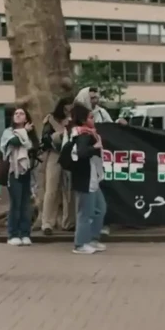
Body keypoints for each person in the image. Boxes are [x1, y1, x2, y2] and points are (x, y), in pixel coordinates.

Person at [73, 86, 125, 235]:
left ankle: (94, 232)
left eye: (96, 97)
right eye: (91, 97)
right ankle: (82, 237)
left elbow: (111, 128)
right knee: (85, 205)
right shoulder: (79, 124)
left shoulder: (102, 112)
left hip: (98, 163)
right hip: (85, 167)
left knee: (98, 203)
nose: (95, 100)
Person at [67, 102, 108, 255]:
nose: (93, 120)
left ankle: (92, 239)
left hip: (93, 178)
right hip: (85, 179)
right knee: (85, 212)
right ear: (83, 119)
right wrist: (95, 148)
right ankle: (80, 244)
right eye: (90, 117)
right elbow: (82, 153)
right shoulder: (82, 134)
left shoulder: (89, 133)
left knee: (100, 208)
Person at [0, 108, 38, 246]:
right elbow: (14, 142)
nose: (18, 115)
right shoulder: (8, 132)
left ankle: (25, 233)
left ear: (26, 118)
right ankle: (13, 234)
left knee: (26, 204)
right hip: (13, 170)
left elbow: (34, 147)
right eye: (16, 113)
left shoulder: (30, 133)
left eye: (21, 113)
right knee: (16, 203)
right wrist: (24, 132)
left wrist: (27, 133)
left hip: (27, 171)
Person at [39, 96, 75, 234]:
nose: (69, 109)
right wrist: (58, 133)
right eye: (66, 107)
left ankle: (69, 222)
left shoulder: (75, 119)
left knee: (70, 190)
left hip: (71, 155)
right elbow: (45, 138)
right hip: (55, 154)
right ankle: (47, 223)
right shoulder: (51, 119)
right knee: (51, 189)